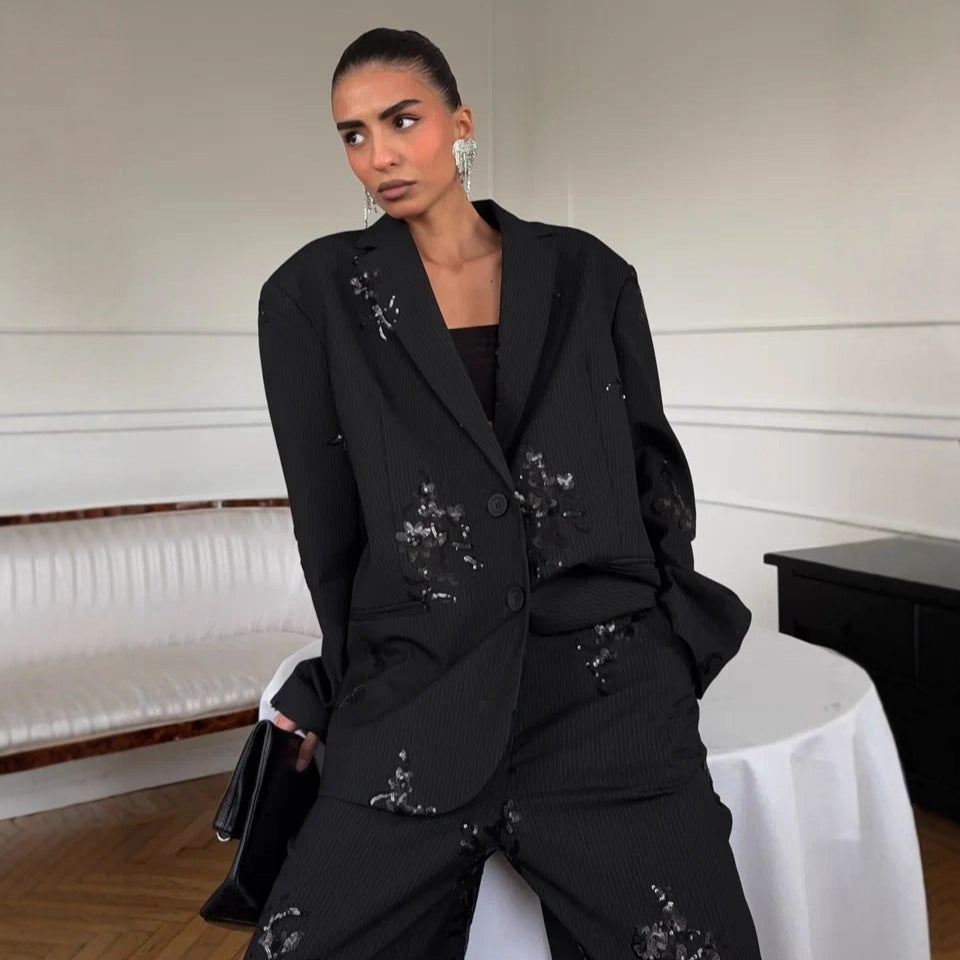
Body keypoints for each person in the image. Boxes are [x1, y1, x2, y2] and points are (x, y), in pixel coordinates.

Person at [247, 26, 763, 960]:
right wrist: (346, 680)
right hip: (419, 695)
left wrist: (669, 644)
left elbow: (653, 471)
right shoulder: (311, 296)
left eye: (402, 120)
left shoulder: (588, 274)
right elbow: (329, 525)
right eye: (354, 135)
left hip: (604, 698)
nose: (379, 154)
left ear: (460, 124)